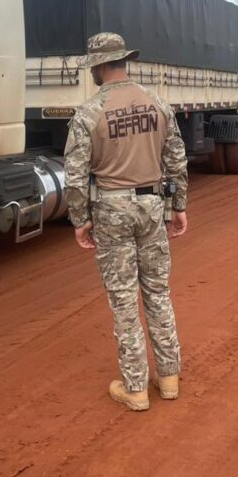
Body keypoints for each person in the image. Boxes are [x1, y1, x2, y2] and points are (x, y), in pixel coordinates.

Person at [64, 32, 189, 411]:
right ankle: (168, 377)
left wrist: (80, 220)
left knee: (123, 300)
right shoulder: (158, 104)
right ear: (124, 61)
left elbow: (74, 176)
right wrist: (178, 206)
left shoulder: (88, 113)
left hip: (111, 210)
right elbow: (177, 160)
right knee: (158, 292)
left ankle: (134, 386)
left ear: (100, 66)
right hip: (152, 205)